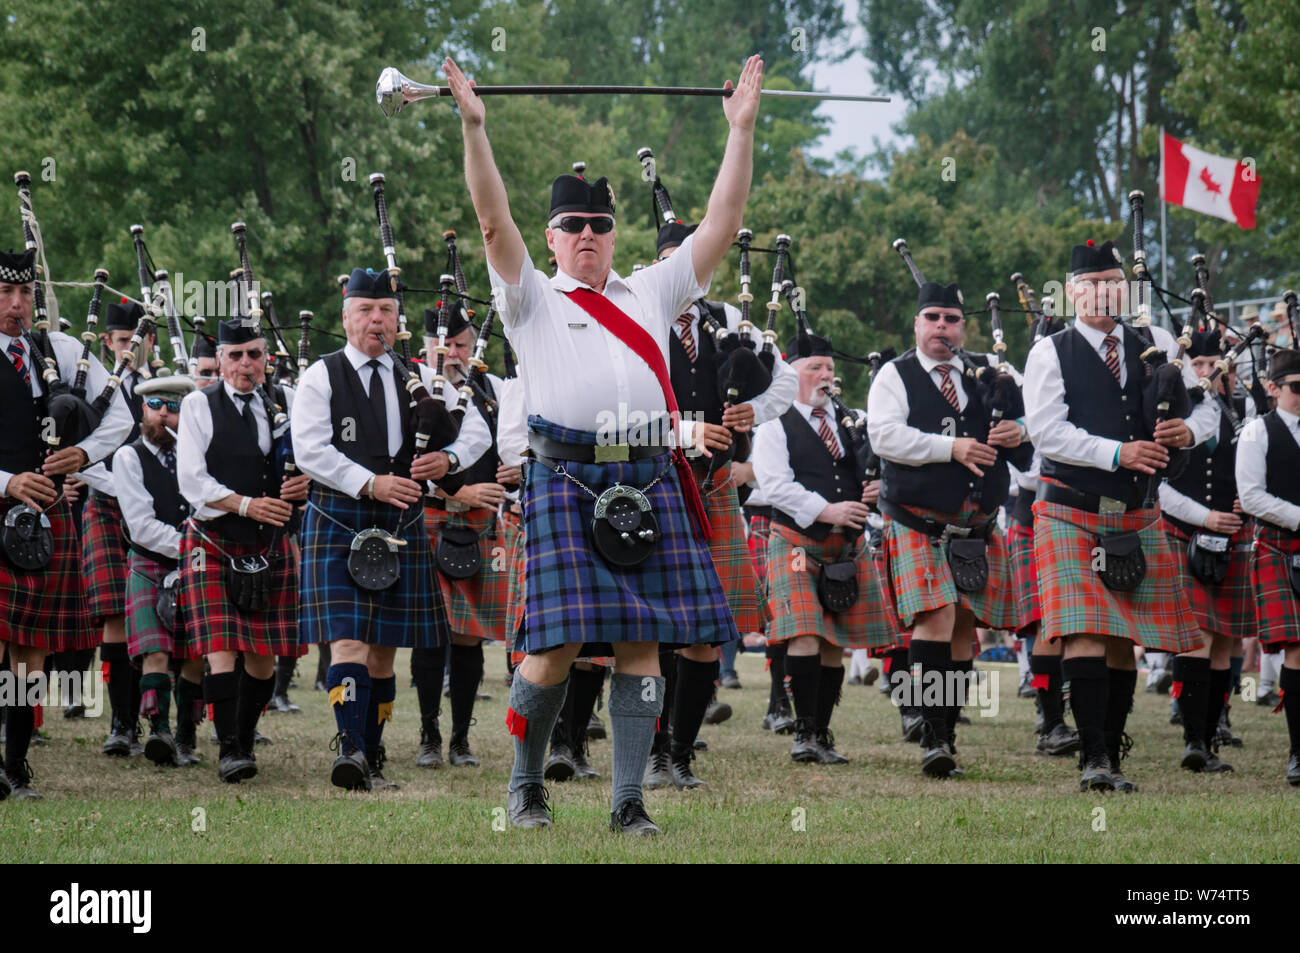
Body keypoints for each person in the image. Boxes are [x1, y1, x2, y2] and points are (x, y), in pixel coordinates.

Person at [444, 52, 763, 834]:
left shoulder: (653, 290)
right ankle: (523, 783)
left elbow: (720, 224)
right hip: (565, 477)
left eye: (599, 225)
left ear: (615, 234)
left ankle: (628, 800)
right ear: (551, 239)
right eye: (571, 226)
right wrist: (474, 126)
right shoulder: (530, 300)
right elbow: (491, 219)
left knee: (641, 645)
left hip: (646, 478)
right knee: (550, 653)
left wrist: (741, 133)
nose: (587, 235)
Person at [1022, 238, 1218, 792]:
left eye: (1112, 281)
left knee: (1121, 638)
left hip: (1136, 513)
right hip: (1069, 508)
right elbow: (1047, 430)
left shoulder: (1156, 341)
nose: (1102, 292)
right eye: (1089, 285)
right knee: (1085, 630)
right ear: (1070, 292)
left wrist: (1188, 432)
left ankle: (1111, 750)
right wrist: (1117, 452)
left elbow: (1207, 407)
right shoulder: (1050, 351)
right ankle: (1094, 759)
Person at [293, 269, 485, 791]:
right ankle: (351, 749)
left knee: (382, 651)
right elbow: (308, 450)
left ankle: (372, 758)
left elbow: (478, 432)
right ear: (346, 317)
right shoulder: (321, 376)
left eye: (385, 310)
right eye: (365, 310)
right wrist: (369, 483)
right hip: (340, 515)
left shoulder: (422, 377)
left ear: (397, 320)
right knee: (350, 643)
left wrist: (447, 459)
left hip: (401, 522)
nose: (376, 319)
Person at [644, 223, 795, 787]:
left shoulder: (732, 323)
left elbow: (784, 382)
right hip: (651, 484)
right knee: (657, 629)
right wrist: (685, 432)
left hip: (712, 490)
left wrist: (751, 411)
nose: (686, 273)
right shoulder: (637, 318)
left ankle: (681, 754)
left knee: (709, 628)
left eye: (696, 262)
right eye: (673, 261)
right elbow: (614, 409)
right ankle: (652, 751)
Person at [868, 279, 1030, 777]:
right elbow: (884, 436)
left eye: (952, 319)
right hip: (918, 519)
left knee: (963, 626)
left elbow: (1033, 440)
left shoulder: (993, 375)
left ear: (964, 325)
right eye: (933, 317)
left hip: (976, 523)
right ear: (917, 324)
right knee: (935, 617)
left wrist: (1018, 431)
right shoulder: (894, 375)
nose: (942, 327)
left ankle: (946, 731)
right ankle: (930, 736)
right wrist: (953, 447)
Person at [0, 248, 132, 799]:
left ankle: (16, 765)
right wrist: (6, 481)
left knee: (30, 650)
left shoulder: (62, 348)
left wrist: (82, 455)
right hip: (4, 500)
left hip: (45, 520)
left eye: (25, 293)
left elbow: (121, 413)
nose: (16, 305)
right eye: (5, 294)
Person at [176, 320, 308, 783]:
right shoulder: (198, 405)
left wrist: (305, 481)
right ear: (222, 361)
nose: (246, 364)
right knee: (220, 649)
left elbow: (311, 456)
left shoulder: (287, 400)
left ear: (267, 358)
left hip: (270, 545)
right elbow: (192, 481)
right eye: (235, 356)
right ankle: (228, 748)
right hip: (215, 539)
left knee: (263, 655)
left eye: (254, 354)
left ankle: (245, 738)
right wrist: (247, 504)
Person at [753, 333, 894, 764]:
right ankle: (802, 735)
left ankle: (820, 731)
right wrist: (828, 510)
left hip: (846, 548)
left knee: (837, 643)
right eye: (815, 368)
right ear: (790, 374)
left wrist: (876, 486)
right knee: (805, 635)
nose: (825, 376)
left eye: (830, 369)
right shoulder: (775, 423)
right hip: (796, 543)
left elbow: (882, 467)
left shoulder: (853, 421)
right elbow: (775, 485)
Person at [1160, 329, 1255, 773]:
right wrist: (1205, 517)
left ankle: (1214, 733)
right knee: (1194, 638)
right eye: (1197, 365)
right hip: (1184, 533)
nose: (1206, 372)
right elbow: (1159, 487)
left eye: (1214, 364)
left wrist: (1250, 498)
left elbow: (1260, 467)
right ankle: (1193, 740)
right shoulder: (1168, 413)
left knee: (1223, 642)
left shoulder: (1245, 410)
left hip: (1232, 537)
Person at [418, 306, 500, 768]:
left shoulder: (492, 390)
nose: (453, 354)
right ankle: (429, 735)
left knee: (469, 635)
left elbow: (510, 440)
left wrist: (514, 466)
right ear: (429, 345)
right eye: (445, 345)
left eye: (462, 346)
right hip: (432, 515)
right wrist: (456, 487)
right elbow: (404, 458)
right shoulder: (414, 388)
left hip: (479, 523)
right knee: (433, 633)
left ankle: (460, 739)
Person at [77, 297, 154, 757]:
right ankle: (121, 724)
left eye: (140, 342)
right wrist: (117, 484)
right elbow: (76, 447)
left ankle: (156, 719)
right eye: (124, 341)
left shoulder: (161, 387)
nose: (132, 349)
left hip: (151, 508)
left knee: (153, 614)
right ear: (108, 343)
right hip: (105, 502)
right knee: (114, 616)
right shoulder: (92, 388)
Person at [115, 375, 205, 766]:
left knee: (196, 657)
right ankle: (159, 732)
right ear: (143, 410)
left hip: (196, 565)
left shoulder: (198, 452)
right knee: (155, 652)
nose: (164, 415)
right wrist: (190, 547)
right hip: (151, 562)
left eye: (173, 407)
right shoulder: (127, 457)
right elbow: (141, 525)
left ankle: (186, 736)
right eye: (157, 407)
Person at [1234, 347, 1300, 785]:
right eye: (1298, 387)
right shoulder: (1258, 432)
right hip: (1280, 547)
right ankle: (1299, 751)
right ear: (1273, 389)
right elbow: (1251, 495)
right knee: (1298, 648)